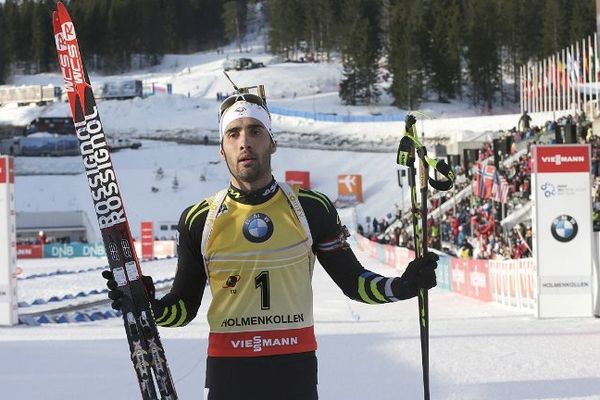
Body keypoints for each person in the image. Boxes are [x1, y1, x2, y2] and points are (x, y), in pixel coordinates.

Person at [103, 83, 438, 400]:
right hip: (229, 375)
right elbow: (181, 309)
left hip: (294, 372)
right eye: (233, 134)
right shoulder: (200, 219)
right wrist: (148, 305)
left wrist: (402, 286)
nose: (244, 142)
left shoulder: (311, 208)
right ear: (222, 150)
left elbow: (354, 283)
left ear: (272, 142)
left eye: (255, 131)